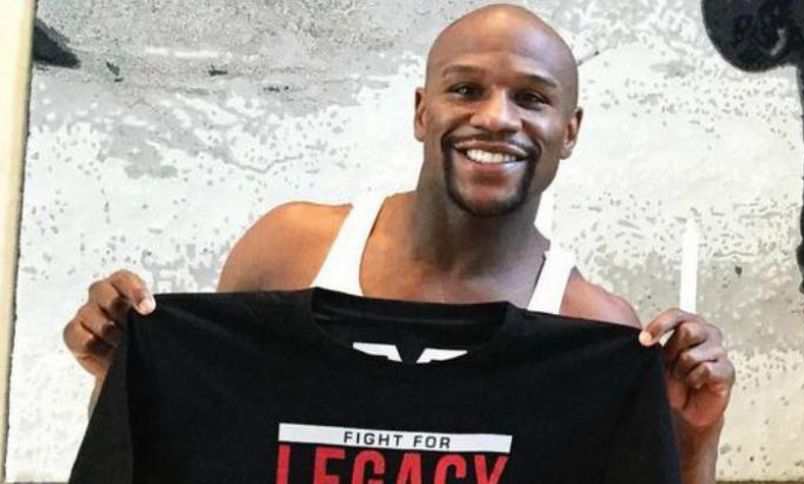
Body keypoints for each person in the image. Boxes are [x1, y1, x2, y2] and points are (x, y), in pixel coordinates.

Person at [62, 4, 735, 483]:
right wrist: (124, 370)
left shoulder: (593, 330)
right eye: (465, 89)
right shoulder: (289, 250)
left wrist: (697, 429)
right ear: (421, 110)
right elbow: (189, 445)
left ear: (571, 130)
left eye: (531, 98)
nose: (495, 117)